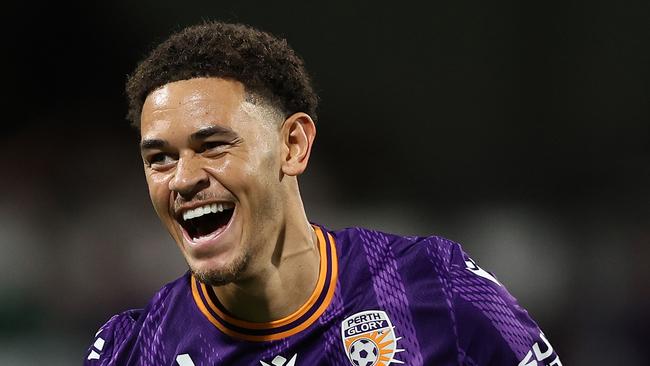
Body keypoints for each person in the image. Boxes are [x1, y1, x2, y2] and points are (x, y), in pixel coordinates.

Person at [84, 21, 562, 366]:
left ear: (292, 146)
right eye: (159, 158)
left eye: (213, 146)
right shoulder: (132, 351)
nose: (183, 179)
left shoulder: (436, 286)